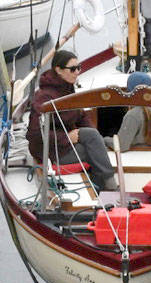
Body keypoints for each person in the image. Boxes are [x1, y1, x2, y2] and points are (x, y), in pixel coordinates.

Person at [26, 50, 117, 191]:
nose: (77, 72)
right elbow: (34, 133)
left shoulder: (67, 89)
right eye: (73, 69)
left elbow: (80, 116)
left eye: (79, 67)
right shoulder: (43, 97)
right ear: (59, 70)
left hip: (65, 147)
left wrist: (95, 137)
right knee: (96, 154)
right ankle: (110, 188)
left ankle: (101, 188)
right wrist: (66, 137)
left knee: (94, 141)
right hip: (51, 151)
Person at [105, 71, 151, 151]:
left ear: (130, 91)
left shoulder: (132, 115)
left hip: (136, 154)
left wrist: (104, 139)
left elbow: (122, 146)